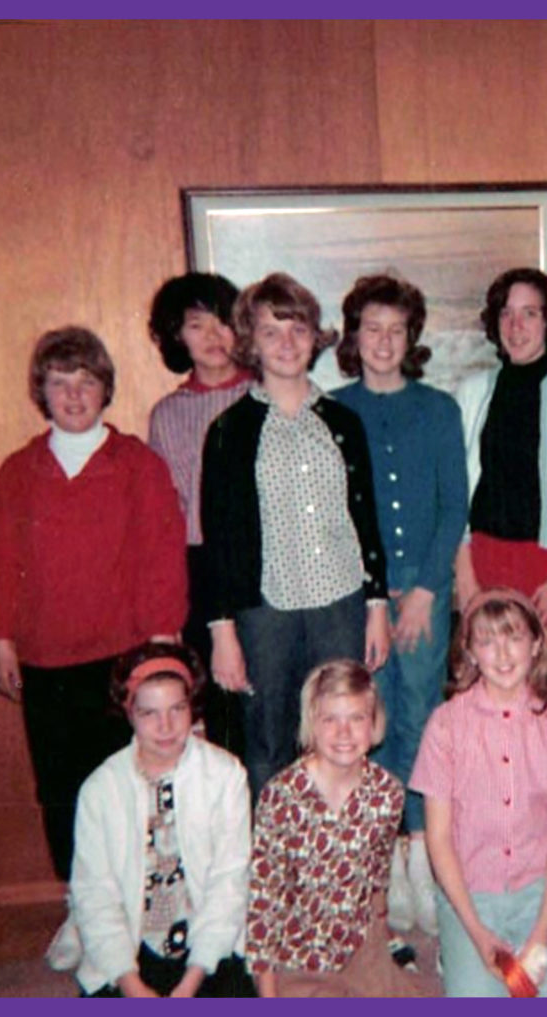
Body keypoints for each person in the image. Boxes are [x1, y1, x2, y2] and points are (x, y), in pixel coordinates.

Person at [0, 326, 187, 881]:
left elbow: (162, 554)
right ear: (41, 392)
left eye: (86, 381)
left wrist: (162, 642)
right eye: (59, 382)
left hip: (124, 656)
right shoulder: (18, 474)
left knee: (131, 781)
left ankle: (138, 899)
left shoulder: (136, 463)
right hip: (47, 661)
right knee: (62, 788)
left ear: (105, 389)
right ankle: (81, 905)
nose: (73, 395)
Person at [200, 271, 389, 802]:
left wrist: (376, 606)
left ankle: (341, 858)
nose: (286, 344)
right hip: (266, 611)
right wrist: (223, 634)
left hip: (340, 602)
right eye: (270, 332)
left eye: (298, 330)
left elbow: (364, 518)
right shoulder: (229, 432)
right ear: (251, 342)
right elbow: (217, 541)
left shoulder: (343, 422)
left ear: (315, 338)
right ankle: (279, 866)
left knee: (344, 731)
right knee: (268, 737)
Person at [333, 273, 468, 936]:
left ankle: (421, 855)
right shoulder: (332, 409)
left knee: (418, 713)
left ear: (411, 337)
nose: (383, 341)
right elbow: (339, 515)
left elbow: (452, 506)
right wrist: (374, 596)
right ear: (353, 337)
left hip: (424, 589)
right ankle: (382, 857)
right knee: (368, 718)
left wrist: (421, 588)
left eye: (396, 329)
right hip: (358, 593)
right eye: (372, 328)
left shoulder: (438, 408)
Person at [409, 588, 547, 997]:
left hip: (539, 892)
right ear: (471, 653)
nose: (503, 653)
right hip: (471, 896)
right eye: (487, 641)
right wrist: (476, 933)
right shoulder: (445, 725)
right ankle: (454, 945)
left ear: (535, 646)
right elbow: (438, 840)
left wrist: (543, 930)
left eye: (513, 637)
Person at [454, 267, 547, 721]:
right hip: (482, 556)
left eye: (530, 314)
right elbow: (458, 490)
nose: (517, 326)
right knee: (484, 682)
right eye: (507, 314)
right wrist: (465, 576)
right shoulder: (473, 390)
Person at [64, 642, 253, 997]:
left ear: (192, 708)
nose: (165, 726)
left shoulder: (226, 775)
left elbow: (230, 881)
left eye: (177, 709)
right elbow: (94, 895)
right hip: (132, 951)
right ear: (129, 712)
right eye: (150, 713)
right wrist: (131, 985)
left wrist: (191, 982)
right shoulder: (101, 789)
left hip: (208, 948)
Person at [245, 659, 424, 997]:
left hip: (360, 947)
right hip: (297, 956)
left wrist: (379, 935)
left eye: (357, 719)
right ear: (312, 724)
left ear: (374, 725)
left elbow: (377, 874)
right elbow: (263, 902)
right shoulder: (281, 796)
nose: (344, 733)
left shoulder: (387, 791)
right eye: (330, 720)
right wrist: (267, 995)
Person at [147, 271, 253, 754]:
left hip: (265, 569)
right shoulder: (168, 414)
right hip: (200, 571)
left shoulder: (264, 396)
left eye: (222, 322)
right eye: (196, 325)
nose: (213, 337)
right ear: (176, 336)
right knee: (216, 713)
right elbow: (166, 516)